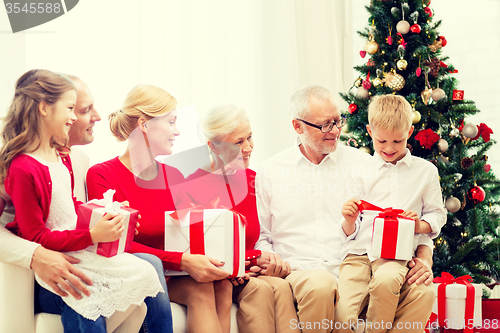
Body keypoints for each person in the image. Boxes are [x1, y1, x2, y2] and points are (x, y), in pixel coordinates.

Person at [255, 85, 436, 333]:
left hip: (360, 266)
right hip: (302, 270)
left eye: (338, 121)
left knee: (424, 292)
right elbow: (261, 237)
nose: (336, 131)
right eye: (325, 125)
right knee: (321, 285)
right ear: (298, 127)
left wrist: (425, 256)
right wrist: (271, 261)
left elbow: (405, 213)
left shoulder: (365, 164)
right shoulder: (271, 170)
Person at [0, 69, 163, 333]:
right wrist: (91, 235)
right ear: (44, 108)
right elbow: (37, 232)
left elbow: (70, 206)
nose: (78, 116)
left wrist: (110, 214)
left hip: (74, 251)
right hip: (50, 265)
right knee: (85, 289)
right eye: (73, 108)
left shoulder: (65, 157)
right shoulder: (20, 166)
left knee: (147, 272)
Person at [86, 84, 233, 333]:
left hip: (173, 270)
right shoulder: (102, 175)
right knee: (201, 291)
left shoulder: (173, 174)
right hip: (137, 272)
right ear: (144, 124)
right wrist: (182, 261)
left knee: (222, 284)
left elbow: (191, 233)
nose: (177, 131)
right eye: (171, 122)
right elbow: (116, 243)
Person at [184, 104, 298, 333]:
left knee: (282, 288)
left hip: (247, 272)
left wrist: (264, 261)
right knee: (261, 290)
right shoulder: (190, 184)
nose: (248, 148)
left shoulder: (254, 180)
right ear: (213, 146)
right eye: (238, 142)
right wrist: (251, 259)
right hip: (217, 276)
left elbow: (263, 234)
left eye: (250, 138)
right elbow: (197, 247)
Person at [337, 94, 446, 333]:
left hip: (395, 254)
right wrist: (349, 219)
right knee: (344, 316)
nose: (389, 148)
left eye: (397, 141)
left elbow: (438, 214)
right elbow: (348, 231)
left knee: (387, 281)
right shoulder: (359, 170)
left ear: (409, 132)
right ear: (369, 131)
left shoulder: (425, 171)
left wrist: (421, 226)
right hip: (358, 254)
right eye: (381, 140)